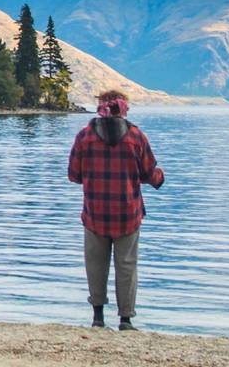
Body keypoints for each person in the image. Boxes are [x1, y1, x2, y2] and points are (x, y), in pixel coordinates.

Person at [67, 90, 165, 331]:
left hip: (95, 212)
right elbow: (149, 173)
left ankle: (98, 317)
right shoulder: (136, 136)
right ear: (123, 108)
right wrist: (159, 178)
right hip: (127, 213)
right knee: (127, 265)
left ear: (100, 108)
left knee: (95, 264)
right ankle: (125, 319)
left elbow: (74, 175)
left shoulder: (85, 136)